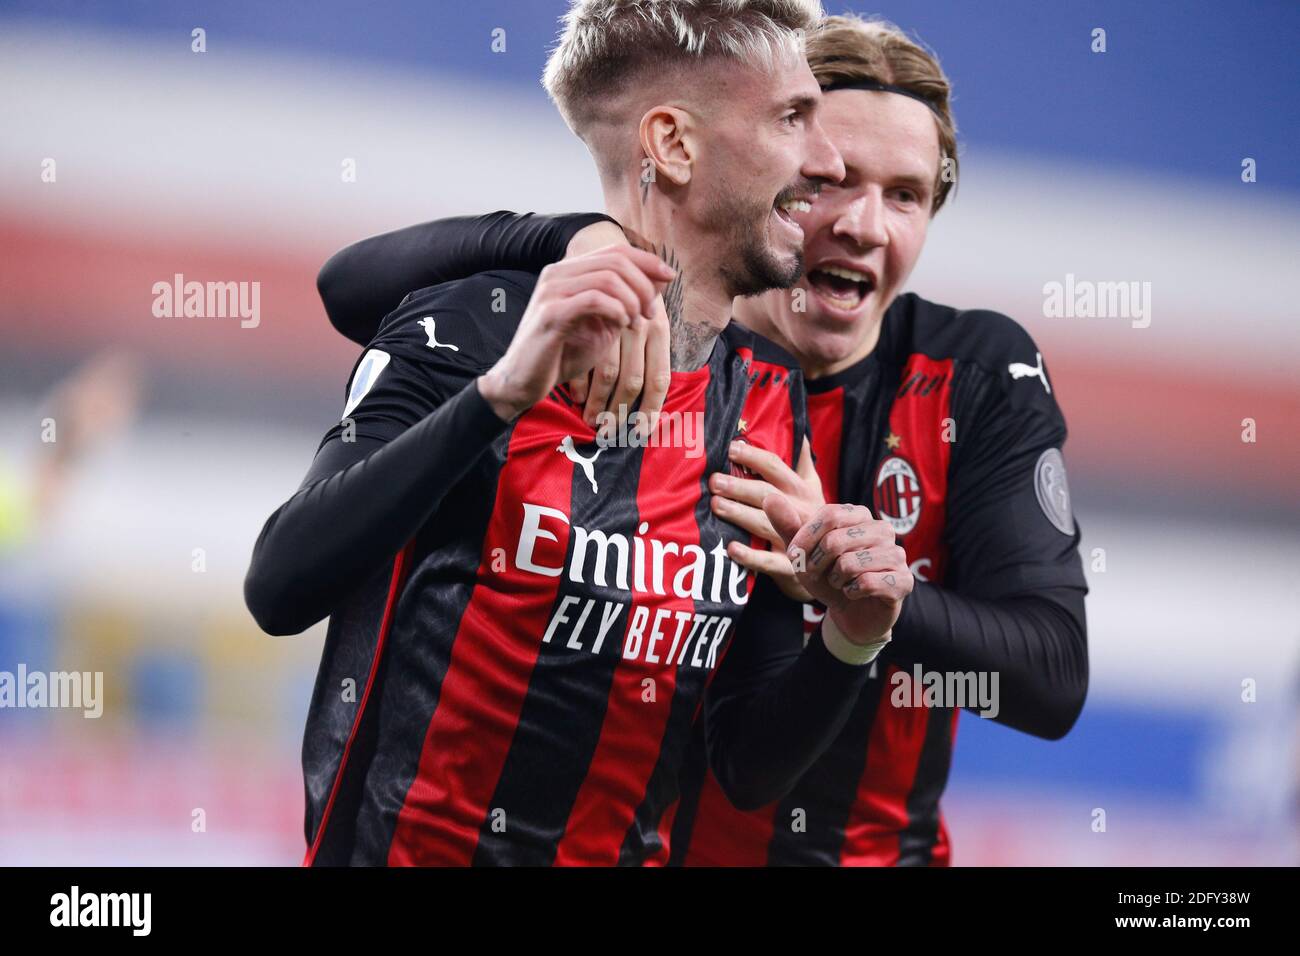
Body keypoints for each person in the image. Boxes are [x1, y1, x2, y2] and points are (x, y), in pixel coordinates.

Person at [313, 13, 1089, 867]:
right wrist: (572, 232)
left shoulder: (971, 376)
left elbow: (1050, 683)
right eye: (833, 176)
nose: (864, 224)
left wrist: (862, 589)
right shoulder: (618, 325)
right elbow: (352, 289)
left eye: (905, 194)